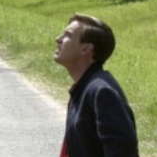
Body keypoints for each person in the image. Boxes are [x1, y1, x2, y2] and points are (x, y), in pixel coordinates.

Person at [54, 14, 139, 157]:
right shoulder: (84, 87)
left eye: (67, 35)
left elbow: (122, 150)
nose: (58, 39)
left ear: (85, 49)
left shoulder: (102, 92)